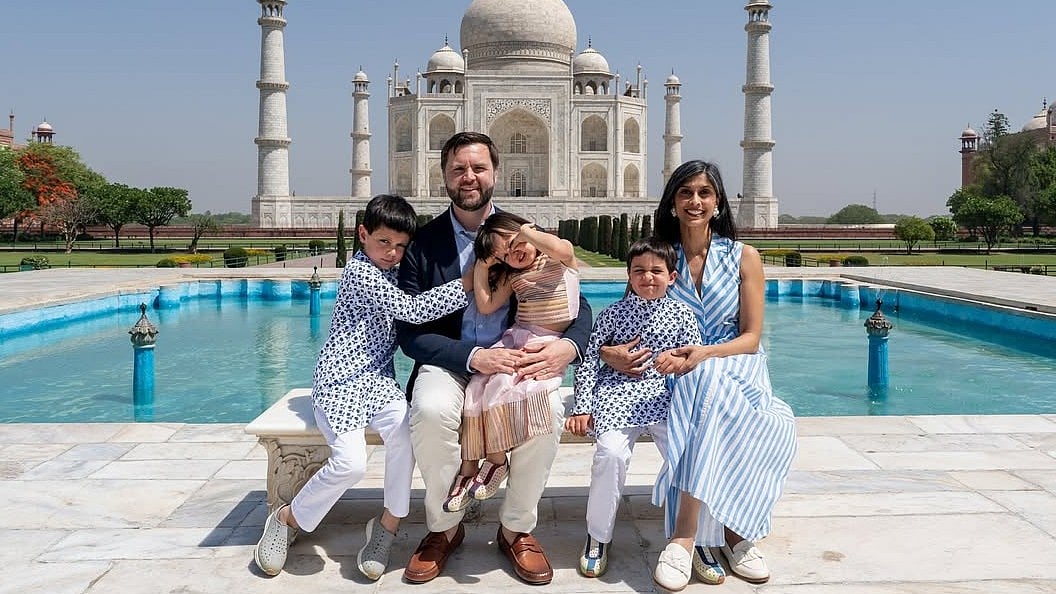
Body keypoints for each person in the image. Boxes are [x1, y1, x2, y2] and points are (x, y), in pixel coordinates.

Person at [396, 131, 593, 585]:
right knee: (429, 411)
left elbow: (573, 298)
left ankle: (516, 529)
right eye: (459, 168)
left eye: (478, 168)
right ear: (443, 175)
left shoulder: (519, 231)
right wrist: (474, 357)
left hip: (517, 355)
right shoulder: (424, 245)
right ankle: (444, 531)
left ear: (495, 173)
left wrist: (570, 346)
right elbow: (409, 333)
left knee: (545, 413)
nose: (469, 177)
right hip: (452, 360)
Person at [600, 160, 797, 589]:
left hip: (735, 361)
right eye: (685, 192)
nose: (695, 201)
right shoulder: (659, 258)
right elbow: (631, 318)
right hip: (670, 367)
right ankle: (732, 532)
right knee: (706, 391)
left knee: (719, 391)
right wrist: (609, 351)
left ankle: (685, 535)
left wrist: (704, 353)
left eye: (704, 193)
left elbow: (750, 337)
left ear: (718, 202)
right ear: (672, 202)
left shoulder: (744, 256)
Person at [253, 194, 471, 580]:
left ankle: (387, 526)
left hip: (377, 380)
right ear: (363, 234)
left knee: (406, 434)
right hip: (339, 380)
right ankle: (288, 518)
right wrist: (466, 284)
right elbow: (412, 310)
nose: (392, 253)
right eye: (384, 242)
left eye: (401, 246)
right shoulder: (361, 273)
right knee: (350, 463)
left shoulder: (393, 271)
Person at [565, 236, 703, 580]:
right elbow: (588, 364)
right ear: (628, 275)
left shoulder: (683, 316)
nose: (648, 278)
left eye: (656, 271)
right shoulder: (613, 314)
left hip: (667, 398)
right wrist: (582, 407)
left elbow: (696, 361)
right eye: (639, 271)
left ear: (672, 276)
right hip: (618, 396)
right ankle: (598, 537)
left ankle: (697, 540)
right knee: (610, 454)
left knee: (692, 456)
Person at [442, 211, 580, 513]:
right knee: (476, 388)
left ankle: (495, 460)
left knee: (502, 385)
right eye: (505, 254)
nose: (514, 252)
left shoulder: (557, 258)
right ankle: (469, 467)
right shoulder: (512, 275)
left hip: (542, 343)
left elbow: (563, 249)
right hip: (519, 335)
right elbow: (486, 304)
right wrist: (482, 267)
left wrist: (528, 233)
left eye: (515, 243)